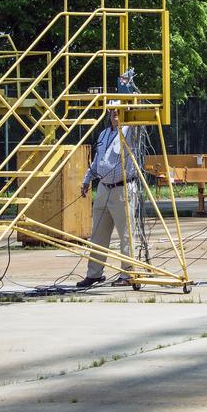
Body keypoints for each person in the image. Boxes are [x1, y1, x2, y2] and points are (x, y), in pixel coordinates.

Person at [76, 104, 144, 288]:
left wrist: (129, 96)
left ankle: (128, 273)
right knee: (98, 233)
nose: (115, 113)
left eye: (119, 110)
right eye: (112, 110)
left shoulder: (131, 131)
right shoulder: (103, 134)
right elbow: (98, 160)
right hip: (104, 188)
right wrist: (87, 179)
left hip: (123, 189)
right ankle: (94, 273)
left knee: (126, 234)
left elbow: (138, 121)